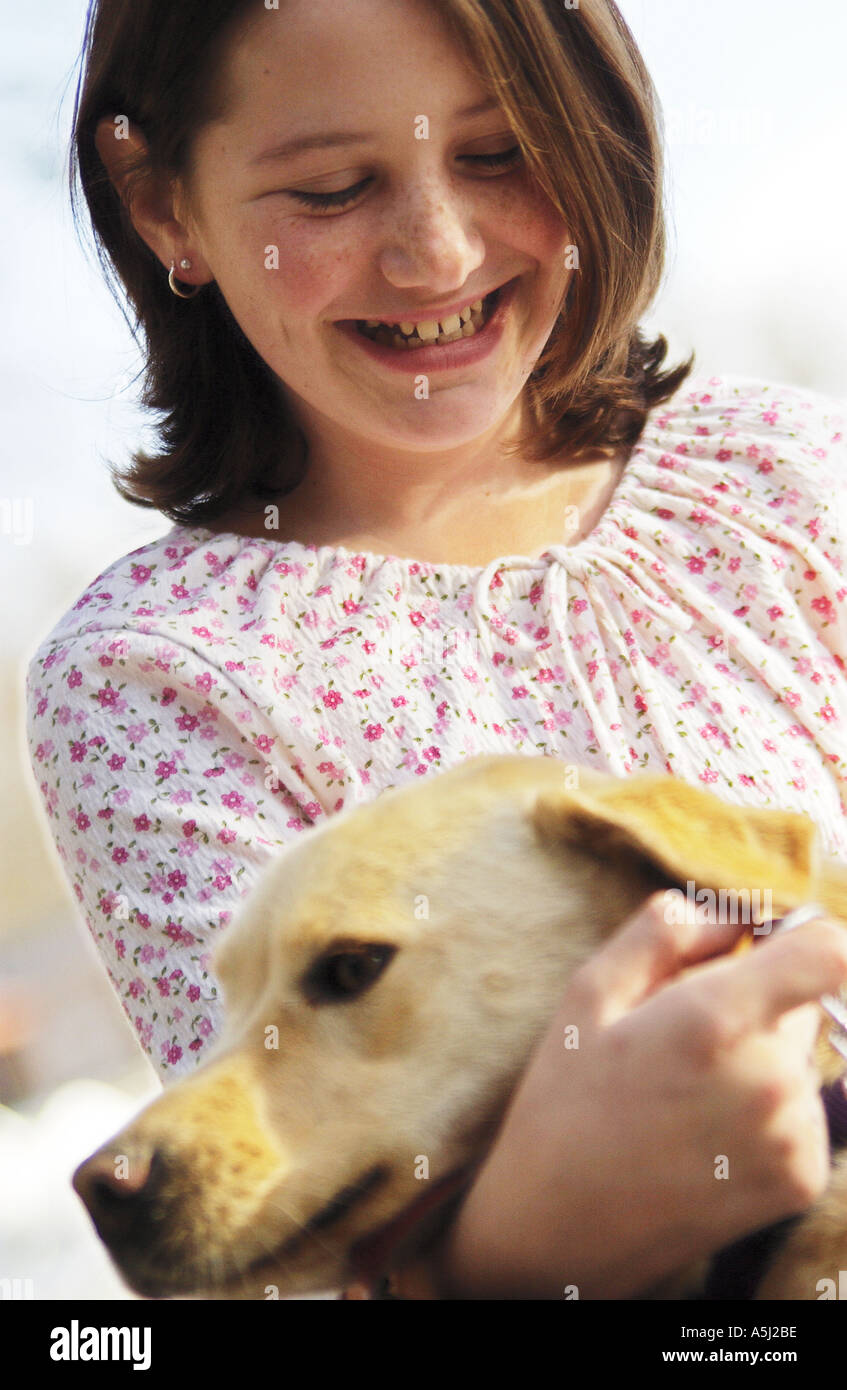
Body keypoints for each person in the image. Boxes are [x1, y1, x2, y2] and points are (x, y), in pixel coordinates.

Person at [26, 0, 847, 1299]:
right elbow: (281, 1241)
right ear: (161, 203)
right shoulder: (160, 669)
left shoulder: (792, 482)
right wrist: (526, 1249)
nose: (437, 251)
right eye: (335, 187)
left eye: (499, 152)